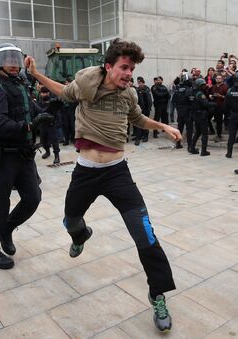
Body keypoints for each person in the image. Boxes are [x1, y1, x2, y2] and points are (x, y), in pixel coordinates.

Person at [25, 38, 181, 332]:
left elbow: (138, 119)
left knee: (145, 234)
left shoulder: (129, 95)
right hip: (85, 173)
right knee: (70, 220)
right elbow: (63, 91)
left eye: (132, 69)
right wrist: (35, 74)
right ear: (109, 66)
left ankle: (157, 293)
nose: (128, 74)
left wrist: (163, 126)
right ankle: (81, 235)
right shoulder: (86, 83)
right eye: (124, 67)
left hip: (117, 174)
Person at [0, 43, 52, 269]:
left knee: (33, 198)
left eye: (16, 59)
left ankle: (7, 229)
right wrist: (30, 126)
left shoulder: (19, 84)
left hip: (24, 155)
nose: (13, 64)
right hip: (5, 157)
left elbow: (31, 109)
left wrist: (49, 111)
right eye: (8, 59)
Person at [188, 78, 215, 156]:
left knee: (197, 132)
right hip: (202, 115)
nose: (204, 87)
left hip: (195, 115)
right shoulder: (200, 94)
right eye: (203, 85)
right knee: (204, 133)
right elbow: (205, 104)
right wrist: (213, 103)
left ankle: (192, 148)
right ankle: (204, 151)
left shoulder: (192, 93)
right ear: (199, 86)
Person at [224, 72, 238, 158]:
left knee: (231, 136)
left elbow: (226, 105)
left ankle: (229, 153)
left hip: (232, 115)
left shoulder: (230, 90)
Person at [134, 76, 152, 144]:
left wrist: (149, 107)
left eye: (141, 83)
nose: (140, 84)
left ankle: (146, 136)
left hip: (146, 109)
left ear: (143, 82)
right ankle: (138, 138)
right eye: (138, 83)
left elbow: (149, 99)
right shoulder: (137, 90)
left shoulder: (147, 89)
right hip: (139, 109)